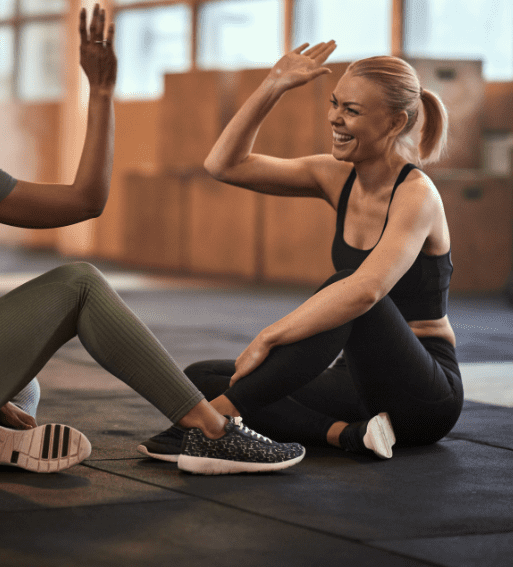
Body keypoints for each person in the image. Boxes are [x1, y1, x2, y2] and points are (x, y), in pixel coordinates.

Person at [0, 5, 305, 475]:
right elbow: (87, 200)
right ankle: (211, 430)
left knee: (23, 387)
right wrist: (102, 91)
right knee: (80, 285)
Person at [139, 42, 463, 462]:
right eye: (334, 104)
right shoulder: (335, 176)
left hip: (423, 396)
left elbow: (367, 290)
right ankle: (347, 435)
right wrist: (273, 85)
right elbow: (223, 165)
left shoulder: (417, 195)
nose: (335, 118)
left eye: (351, 110)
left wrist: (269, 337)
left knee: (348, 287)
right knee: (201, 378)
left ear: (395, 121)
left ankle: (210, 425)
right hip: (354, 385)